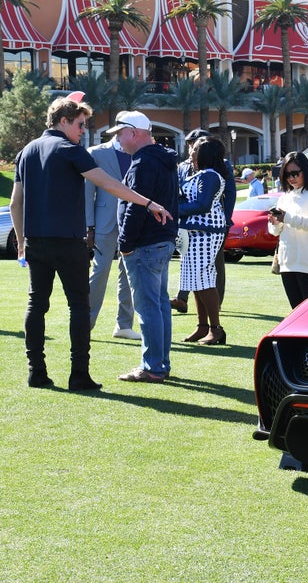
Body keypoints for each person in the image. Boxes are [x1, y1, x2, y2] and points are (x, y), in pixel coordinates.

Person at [12, 99, 171, 391]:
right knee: (79, 306)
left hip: (36, 242)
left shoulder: (27, 151)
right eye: (80, 124)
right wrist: (148, 202)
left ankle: (36, 372)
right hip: (68, 241)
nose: (83, 131)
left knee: (37, 304)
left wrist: (21, 242)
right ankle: (79, 375)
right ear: (63, 121)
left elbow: (14, 203)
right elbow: (111, 184)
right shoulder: (71, 151)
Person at [112, 111, 181, 383]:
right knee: (159, 305)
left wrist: (125, 244)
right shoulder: (161, 159)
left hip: (145, 243)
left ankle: (153, 366)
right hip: (161, 240)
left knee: (150, 306)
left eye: (120, 133)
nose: (118, 139)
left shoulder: (143, 163)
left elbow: (135, 208)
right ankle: (159, 363)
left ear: (133, 132)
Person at [171, 129, 235, 311]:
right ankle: (184, 301)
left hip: (209, 227)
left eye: (196, 145)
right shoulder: (184, 166)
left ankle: (215, 308)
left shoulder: (216, 168)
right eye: (191, 144)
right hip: (189, 226)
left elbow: (227, 194)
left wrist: (226, 219)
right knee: (191, 269)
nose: (192, 149)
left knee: (212, 269)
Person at [85, 133, 138, 340]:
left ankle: (124, 325)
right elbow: (88, 191)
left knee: (129, 272)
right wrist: (89, 224)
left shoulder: (139, 151)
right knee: (100, 271)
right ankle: (85, 323)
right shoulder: (96, 153)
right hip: (104, 221)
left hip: (132, 219)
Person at [177, 138, 228, 345]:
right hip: (195, 233)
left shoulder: (209, 176)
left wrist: (174, 210)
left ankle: (216, 328)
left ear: (205, 154)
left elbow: (202, 204)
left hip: (206, 232)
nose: (191, 152)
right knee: (196, 280)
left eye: (195, 149)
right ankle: (202, 327)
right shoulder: (199, 174)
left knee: (203, 279)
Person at [269, 152, 308, 309]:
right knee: (296, 313)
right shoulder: (285, 196)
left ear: (306, 171)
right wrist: (275, 222)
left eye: (295, 173)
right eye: (287, 174)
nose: (291, 178)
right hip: (287, 261)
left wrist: (287, 217)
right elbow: (275, 231)